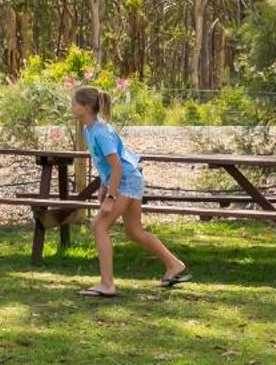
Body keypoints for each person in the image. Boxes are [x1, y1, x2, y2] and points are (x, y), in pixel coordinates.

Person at [72, 83, 189, 297]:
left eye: (74, 103)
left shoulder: (100, 132)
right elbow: (106, 165)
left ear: (86, 107)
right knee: (134, 231)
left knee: (99, 227)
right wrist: (104, 185)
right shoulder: (89, 130)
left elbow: (117, 166)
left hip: (126, 180)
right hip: (128, 179)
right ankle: (174, 264)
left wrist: (110, 197)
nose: (71, 106)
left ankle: (107, 284)